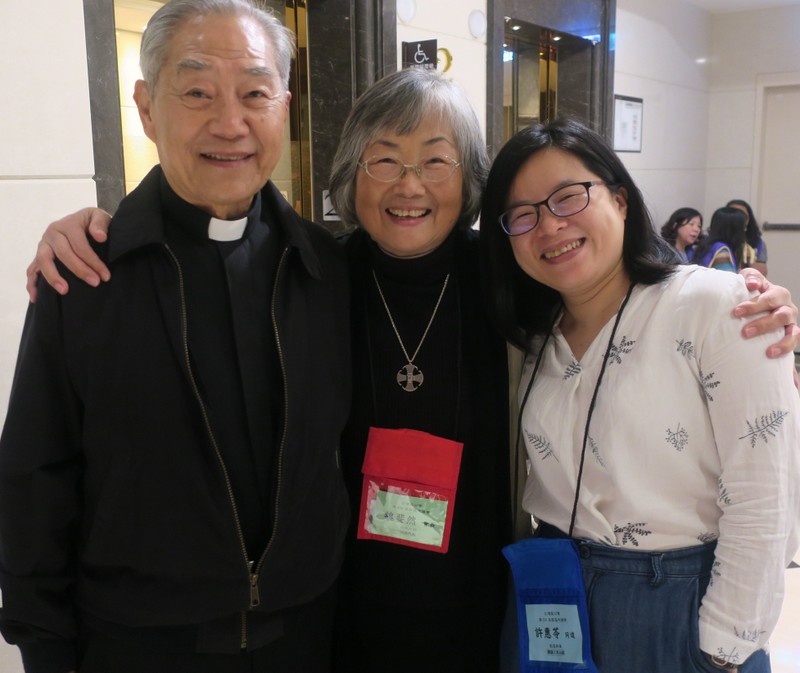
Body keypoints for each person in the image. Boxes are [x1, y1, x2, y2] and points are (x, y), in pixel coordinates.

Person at [20, 72, 800, 671]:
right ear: (349, 176)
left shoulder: (511, 275)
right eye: (384, 160)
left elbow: (607, 282)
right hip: (341, 610)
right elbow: (209, 259)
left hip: (490, 601)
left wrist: (746, 300)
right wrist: (89, 227)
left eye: (435, 161)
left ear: (469, 181)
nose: (409, 185)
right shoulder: (310, 273)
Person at [0, 2, 351, 672]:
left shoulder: (326, 270)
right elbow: (34, 480)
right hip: (137, 647)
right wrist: (43, 647)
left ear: (285, 104)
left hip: (304, 639)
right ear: (146, 108)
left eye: (255, 93)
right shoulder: (85, 276)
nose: (230, 123)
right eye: (197, 92)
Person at [480, 118, 799, 673]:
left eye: (568, 197)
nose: (549, 225)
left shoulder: (716, 305)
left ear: (621, 199)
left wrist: (722, 647)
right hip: (550, 592)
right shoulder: (534, 336)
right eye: (523, 214)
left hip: (677, 606)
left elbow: (766, 491)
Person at [694, 206, 748, 272]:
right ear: (733, 229)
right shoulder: (722, 251)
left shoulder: (707, 244)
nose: (745, 230)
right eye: (743, 227)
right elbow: (728, 277)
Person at [727, 198, 768, 276]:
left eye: (742, 216)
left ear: (748, 220)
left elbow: (760, 274)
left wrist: (749, 257)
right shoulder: (714, 242)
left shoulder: (756, 243)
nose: (738, 219)